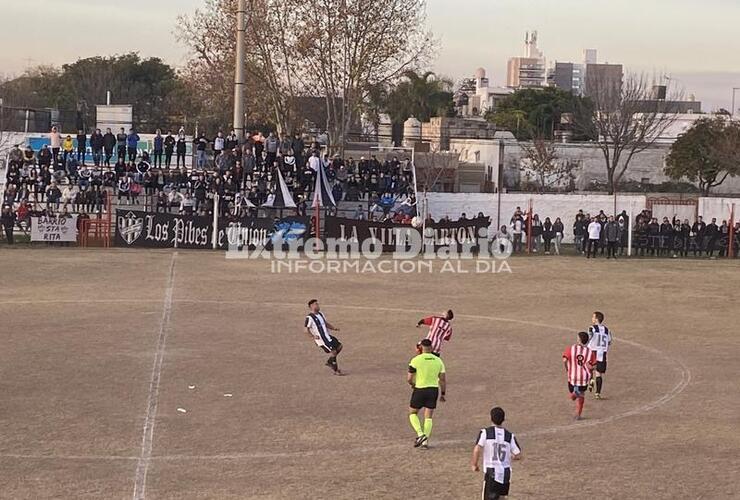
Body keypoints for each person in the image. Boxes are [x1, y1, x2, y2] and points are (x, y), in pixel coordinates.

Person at [471, 407, 523, 500]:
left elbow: (477, 449)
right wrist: (511, 456)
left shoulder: (485, 433)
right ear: (503, 419)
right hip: (506, 474)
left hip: (492, 473)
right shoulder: (509, 435)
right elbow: (518, 455)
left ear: (491, 418)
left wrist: (474, 464)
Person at [407, 338, 446, 449]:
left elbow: (409, 378)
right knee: (428, 416)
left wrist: (413, 384)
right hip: (433, 390)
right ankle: (425, 442)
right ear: (431, 348)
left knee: (413, 413)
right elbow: (442, 379)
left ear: (421, 348)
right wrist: (443, 393)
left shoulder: (415, 360)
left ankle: (420, 434)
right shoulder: (438, 361)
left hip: (420, 389)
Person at [304, 299, 344, 375]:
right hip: (321, 339)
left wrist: (333, 328)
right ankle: (336, 370)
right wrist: (313, 337)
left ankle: (330, 361)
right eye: (316, 304)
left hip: (327, 336)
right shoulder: (309, 318)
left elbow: (325, 323)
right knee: (334, 352)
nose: (318, 305)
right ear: (312, 306)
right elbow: (306, 329)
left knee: (340, 346)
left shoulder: (320, 314)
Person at [563, 331, 595, 420]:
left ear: (579, 340)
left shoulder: (571, 349)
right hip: (584, 377)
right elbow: (592, 365)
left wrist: (567, 369)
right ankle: (578, 414)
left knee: (572, 396)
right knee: (582, 395)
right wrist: (591, 371)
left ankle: (574, 394)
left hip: (572, 376)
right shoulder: (589, 351)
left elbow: (565, 360)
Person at [587, 311, 612, 399]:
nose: (592, 318)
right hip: (602, 353)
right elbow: (609, 342)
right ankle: (597, 393)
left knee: (588, 367)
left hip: (593, 352)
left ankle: (590, 380)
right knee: (599, 373)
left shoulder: (592, 328)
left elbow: (589, 338)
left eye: (593, 317)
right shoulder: (607, 330)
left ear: (596, 319)